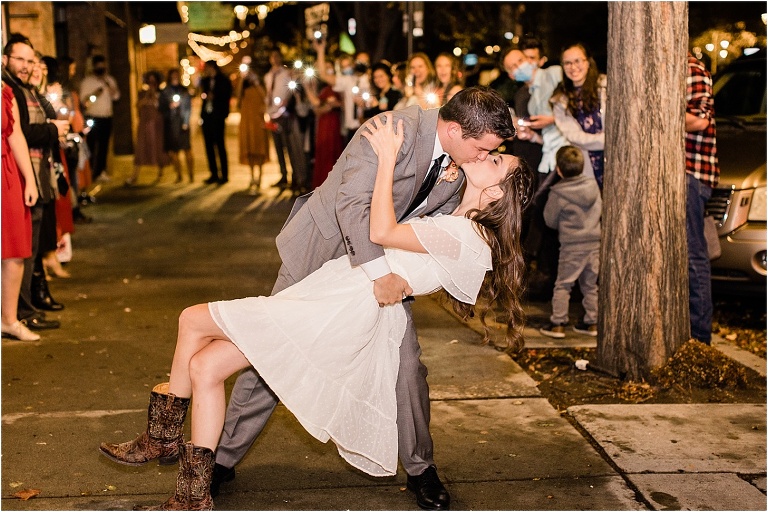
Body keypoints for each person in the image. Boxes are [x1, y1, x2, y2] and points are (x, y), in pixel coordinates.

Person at [101, 87, 514, 511]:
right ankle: (218, 462)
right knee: (267, 356)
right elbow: (352, 206)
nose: (485, 157)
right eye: (485, 149)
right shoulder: (391, 130)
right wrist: (379, 274)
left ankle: (420, 468)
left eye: (493, 153)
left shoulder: (467, 167)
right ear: (453, 130)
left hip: (390, 271)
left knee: (407, 368)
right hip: (326, 253)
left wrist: (391, 274)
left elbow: (447, 227)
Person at [2, 34, 68, 332]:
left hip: (26, 172)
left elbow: (20, 131)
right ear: (6, 60)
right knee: (20, 249)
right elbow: (26, 132)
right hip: (14, 172)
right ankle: (20, 312)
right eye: (22, 60)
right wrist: (53, 130)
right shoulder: (12, 90)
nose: (28, 66)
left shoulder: (16, 90)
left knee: (24, 248)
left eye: (32, 61)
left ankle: (20, 312)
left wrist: (30, 179)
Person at [539, 146, 601, 338]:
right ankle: (592, 322)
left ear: (559, 169)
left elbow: (549, 219)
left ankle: (558, 323)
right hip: (594, 243)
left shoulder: (558, 193)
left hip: (571, 246)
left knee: (564, 284)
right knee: (590, 285)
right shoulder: (593, 186)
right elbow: (600, 209)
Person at [685, 53, 719, 345]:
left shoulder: (692, 68)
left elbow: (698, 121)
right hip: (682, 175)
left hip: (692, 173)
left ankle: (700, 336)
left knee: (694, 255)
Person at [2, 82, 40, 341]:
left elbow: (15, 133)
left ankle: (9, 319)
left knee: (14, 249)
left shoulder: (4, 90)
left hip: (6, 174)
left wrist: (30, 178)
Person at [550, 43, 606, 189]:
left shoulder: (606, 86)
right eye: (567, 63)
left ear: (588, 62)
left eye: (577, 61)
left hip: (616, 160)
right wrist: (608, 140)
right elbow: (575, 137)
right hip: (587, 166)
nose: (573, 67)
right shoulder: (560, 99)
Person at [264, 48, 306, 191]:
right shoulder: (268, 76)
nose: (274, 58)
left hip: (285, 113)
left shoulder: (287, 74)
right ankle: (283, 174)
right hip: (272, 113)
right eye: (272, 56)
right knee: (278, 146)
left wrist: (286, 102)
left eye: (277, 56)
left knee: (290, 146)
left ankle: (295, 176)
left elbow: (291, 91)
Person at [80, 54, 120, 183]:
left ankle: (101, 171)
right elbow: (84, 101)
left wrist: (108, 85)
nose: (101, 68)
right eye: (99, 66)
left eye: (103, 66)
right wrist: (95, 94)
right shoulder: (87, 82)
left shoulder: (109, 80)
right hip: (93, 117)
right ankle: (90, 171)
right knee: (91, 144)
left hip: (106, 117)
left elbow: (116, 96)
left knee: (104, 145)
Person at [305, 62, 343, 189]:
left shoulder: (337, 87)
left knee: (332, 153)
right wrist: (307, 86)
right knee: (322, 152)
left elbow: (337, 104)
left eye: (329, 68)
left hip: (333, 125)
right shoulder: (325, 89)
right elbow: (317, 105)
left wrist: (328, 106)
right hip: (323, 124)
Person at [126, 71, 168, 186]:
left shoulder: (161, 94)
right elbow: (137, 105)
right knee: (141, 148)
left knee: (158, 147)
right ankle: (134, 175)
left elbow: (163, 107)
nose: (151, 84)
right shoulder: (142, 93)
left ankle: (161, 173)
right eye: (149, 82)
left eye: (153, 82)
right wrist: (146, 98)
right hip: (145, 124)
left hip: (157, 124)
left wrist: (155, 97)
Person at [237, 64, 269, 195]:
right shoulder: (244, 87)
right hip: (246, 121)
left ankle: (260, 176)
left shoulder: (259, 86)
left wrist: (256, 82)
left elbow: (265, 98)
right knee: (249, 148)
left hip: (258, 121)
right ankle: (252, 177)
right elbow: (238, 97)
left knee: (259, 148)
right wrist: (241, 79)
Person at [199, 60, 232, 185]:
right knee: (208, 145)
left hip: (218, 116)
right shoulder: (205, 81)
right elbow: (203, 94)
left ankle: (224, 174)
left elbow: (226, 95)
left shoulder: (223, 80)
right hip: (207, 115)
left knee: (220, 144)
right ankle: (213, 173)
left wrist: (215, 97)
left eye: (207, 67)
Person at [159, 68, 194, 184]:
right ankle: (179, 175)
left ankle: (191, 175)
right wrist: (170, 106)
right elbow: (161, 108)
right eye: (173, 75)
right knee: (174, 151)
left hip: (182, 121)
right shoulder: (165, 91)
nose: (175, 77)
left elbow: (188, 108)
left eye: (176, 75)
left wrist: (186, 122)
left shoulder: (184, 91)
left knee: (187, 149)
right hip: (171, 122)